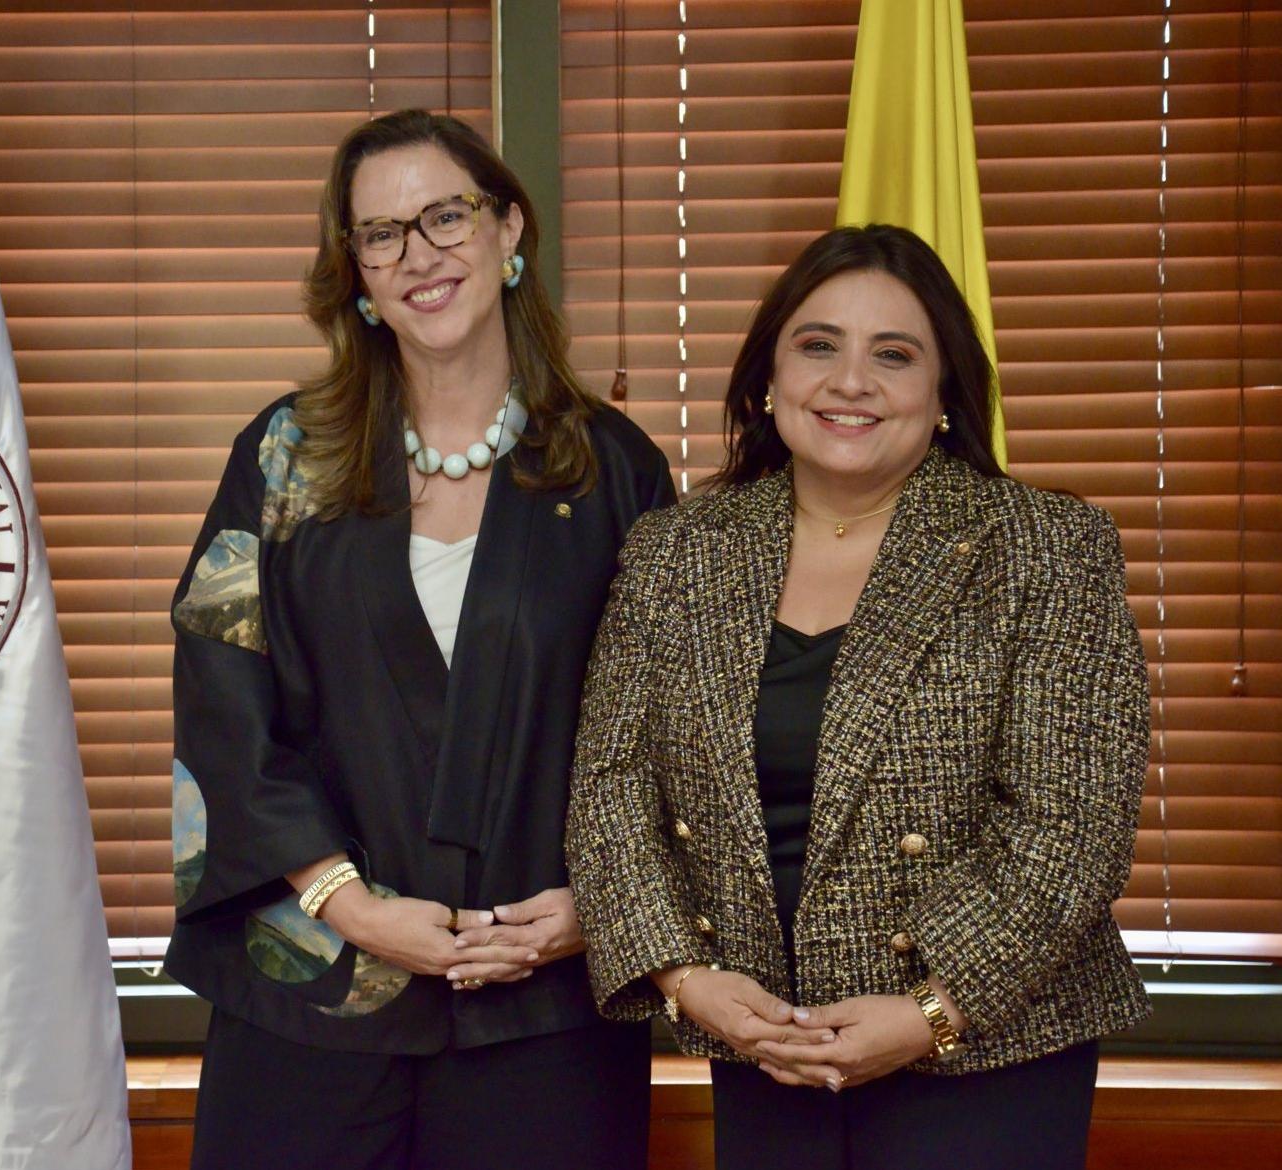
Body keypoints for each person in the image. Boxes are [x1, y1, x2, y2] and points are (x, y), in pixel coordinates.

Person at [566, 224, 1152, 1170]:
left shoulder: (1047, 547)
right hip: (764, 1042)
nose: (850, 381)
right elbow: (610, 786)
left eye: (893, 354)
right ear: (767, 377)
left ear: (944, 394)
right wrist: (684, 977)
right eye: (817, 345)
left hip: (988, 1050)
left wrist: (929, 1012)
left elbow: (1070, 826)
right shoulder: (675, 550)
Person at [165, 109, 673, 1170]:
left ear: (507, 229)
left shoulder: (615, 468)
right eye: (381, 233)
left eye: (445, 215)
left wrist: (597, 904)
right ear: (354, 271)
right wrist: (342, 902)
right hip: (309, 996)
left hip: (539, 1010)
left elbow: (675, 730)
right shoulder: (282, 455)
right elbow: (221, 702)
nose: (419, 254)